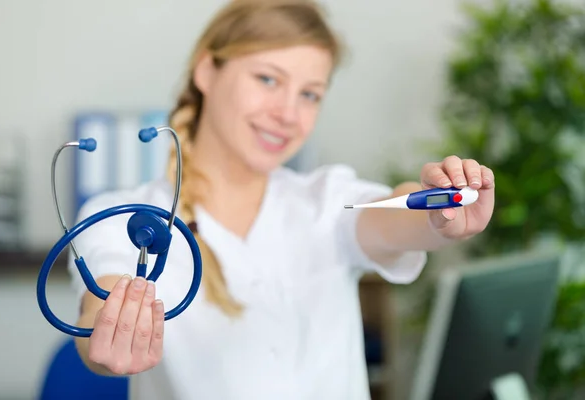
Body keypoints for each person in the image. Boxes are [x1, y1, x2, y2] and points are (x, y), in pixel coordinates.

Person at [69, 0, 496, 399]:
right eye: (268, 79)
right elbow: (97, 310)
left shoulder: (326, 202)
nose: (288, 113)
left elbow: (397, 216)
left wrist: (440, 212)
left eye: (309, 94)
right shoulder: (122, 217)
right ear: (206, 72)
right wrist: (105, 343)